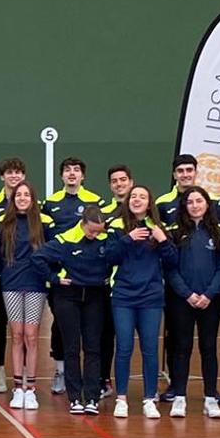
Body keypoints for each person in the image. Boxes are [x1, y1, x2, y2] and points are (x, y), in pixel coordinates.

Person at [105, 185, 176, 419]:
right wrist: (128, 239)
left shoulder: (158, 228)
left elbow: (172, 260)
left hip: (151, 298)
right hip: (124, 296)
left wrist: (163, 240)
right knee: (124, 347)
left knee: (149, 349)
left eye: (142, 197)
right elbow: (109, 256)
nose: (137, 200)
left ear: (149, 203)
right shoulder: (117, 226)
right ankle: (122, 398)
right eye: (134, 196)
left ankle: (149, 398)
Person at [36, 206, 110, 415]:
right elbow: (38, 258)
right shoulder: (65, 239)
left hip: (95, 297)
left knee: (93, 347)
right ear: (83, 224)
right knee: (71, 348)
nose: (95, 235)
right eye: (91, 231)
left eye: (99, 231)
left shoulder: (105, 239)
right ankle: (75, 397)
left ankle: (93, 397)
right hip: (68, 298)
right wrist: (54, 279)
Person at [42, 157, 104, 396]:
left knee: (92, 332)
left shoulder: (94, 201)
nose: (71, 174)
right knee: (61, 325)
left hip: (89, 278)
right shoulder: (50, 203)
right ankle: (60, 371)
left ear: (83, 176)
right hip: (62, 277)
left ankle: (97, 380)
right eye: (67, 170)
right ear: (61, 176)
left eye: (76, 170)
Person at [165, 186, 220, 419]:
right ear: (184, 206)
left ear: (207, 204)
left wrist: (209, 294)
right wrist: (187, 294)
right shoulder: (175, 232)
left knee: (208, 347)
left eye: (199, 201)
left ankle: (211, 397)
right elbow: (170, 268)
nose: (195, 206)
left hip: (210, 301)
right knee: (182, 347)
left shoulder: (218, 232)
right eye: (190, 202)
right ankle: (179, 396)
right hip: (183, 300)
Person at [0, 181, 52, 410]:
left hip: (35, 283)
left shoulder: (41, 224)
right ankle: (17, 387)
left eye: (26, 194)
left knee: (31, 335)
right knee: (17, 334)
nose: (22, 198)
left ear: (32, 198)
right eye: (18, 195)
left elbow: (50, 253)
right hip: (11, 283)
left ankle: (31, 389)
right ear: (13, 199)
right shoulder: (4, 224)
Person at [0, 157, 26, 393]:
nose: (14, 176)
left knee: (24, 329)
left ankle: (23, 377)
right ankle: (0, 371)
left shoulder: (31, 204)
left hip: (25, 277)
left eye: (18, 173)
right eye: (9, 173)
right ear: (2, 176)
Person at [98, 164, 133, 397]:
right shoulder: (104, 211)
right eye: (114, 181)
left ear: (131, 182)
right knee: (105, 333)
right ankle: (104, 379)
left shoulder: (143, 210)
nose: (119, 184)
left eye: (123, 180)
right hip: (107, 283)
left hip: (138, 285)